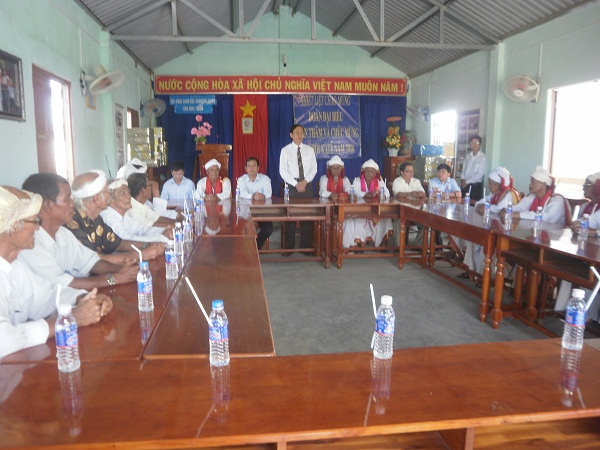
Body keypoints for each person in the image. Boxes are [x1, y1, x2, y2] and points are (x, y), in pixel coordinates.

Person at [0, 185, 113, 359]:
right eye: (34, 222)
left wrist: (83, 299)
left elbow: (48, 295)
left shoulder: (14, 268)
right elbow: (4, 340)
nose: (38, 228)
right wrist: (72, 319)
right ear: (14, 227)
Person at [18, 173, 138, 290]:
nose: (72, 203)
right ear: (48, 205)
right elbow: (62, 283)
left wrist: (120, 269)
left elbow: (90, 261)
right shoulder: (30, 243)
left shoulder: (63, 234)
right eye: (66, 199)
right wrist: (115, 278)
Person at [66, 170, 164, 263]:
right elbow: (92, 261)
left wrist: (148, 245)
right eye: (107, 191)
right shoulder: (73, 222)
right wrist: (139, 255)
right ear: (97, 197)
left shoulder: (96, 219)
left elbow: (118, 243)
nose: (110, 194)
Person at [461, 167, 517, 277]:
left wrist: (486, 206)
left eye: (491, 183)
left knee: (486, 244)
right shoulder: (495, 194)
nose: (489, 186)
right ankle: (472, 271)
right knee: (473, 239)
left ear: (497, 185)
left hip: (505, 233)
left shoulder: (509, 194)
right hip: (492, 228)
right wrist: (482, 205)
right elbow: (479, 203)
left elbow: (499, 209)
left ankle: (484, 275)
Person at [279, 124, 317, 252]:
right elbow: (282, 171)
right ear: (291, 135)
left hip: (307, 185)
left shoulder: (309, 150)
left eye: (302, 133)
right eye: (297, 133)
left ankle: (305, 247)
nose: (299, 135)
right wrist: (296, 184)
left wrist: (304, 182)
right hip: (291, 186)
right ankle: (289, 248)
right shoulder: (285, 150)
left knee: (307, 218)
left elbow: (314, 169)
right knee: (290, 217)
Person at [100, 179, 171, 243]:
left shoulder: (125, 214)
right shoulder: (108, 217)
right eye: (123, 194)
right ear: (110, 200)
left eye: (128, 193)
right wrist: (160, 237)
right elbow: (126, 240)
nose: (128, 197)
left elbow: (142, 229)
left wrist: (164, 230)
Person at [344, 160, 392, 248]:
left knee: (386, 218)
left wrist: (381, 195)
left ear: (375, 173)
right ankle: (360, 243)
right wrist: (368, 195)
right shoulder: (357, 181)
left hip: (376, 210)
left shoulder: (379, 182)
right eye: (367, 171)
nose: (369, 173)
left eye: (372, 171)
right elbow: (356, 192)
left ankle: (381, 244)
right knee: (357, 220)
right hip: (361, 210)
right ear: (363, 172)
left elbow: (387, 194)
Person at [500, 165, 569, 226]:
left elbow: (547, 218)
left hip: (553, 238)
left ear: (544, 184)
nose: (530, 185)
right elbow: (519, 208)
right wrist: (507, 210)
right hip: (537, 231)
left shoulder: (557, 200)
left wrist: (518, 214)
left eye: (533, 182)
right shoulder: (533, 197)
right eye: (531, 182)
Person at [237, 157, 272, 249]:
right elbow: (242, 193)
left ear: (258, 168)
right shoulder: (241, 180)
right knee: (238, 227)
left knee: (268, 229)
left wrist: (262, 196)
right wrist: (253, 196)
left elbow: (268, 193)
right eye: (249, 166)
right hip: (245, 213)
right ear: (245, 168)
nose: (251, 168)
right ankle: (246, 246)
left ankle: (256, 245)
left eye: (254, 166)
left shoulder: (265, 178)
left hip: (262, 212)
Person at [391, 162, 426, 246]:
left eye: (412, 171)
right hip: (400, 212)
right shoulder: (397, 181)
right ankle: (399, 248)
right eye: (408, 171)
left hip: (415, 212)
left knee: (426, 223)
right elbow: (398, 195)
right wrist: (411, 194)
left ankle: (417, 245)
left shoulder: (416, 181)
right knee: (397, 222)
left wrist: (420, 194)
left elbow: (423, 194)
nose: (411, 173)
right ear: (402, 172)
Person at [460, 135, 486, 200]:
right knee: (463, 204)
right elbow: (463, 169)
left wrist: (467, 182)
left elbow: (479, 174)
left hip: (475, 186)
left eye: (476, 143)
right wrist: (463, 179)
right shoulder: (468, 156)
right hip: (464, 185)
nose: (474, 145)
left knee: (473, 206)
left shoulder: (483, 157)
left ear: (480, 144)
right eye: (472, 143)